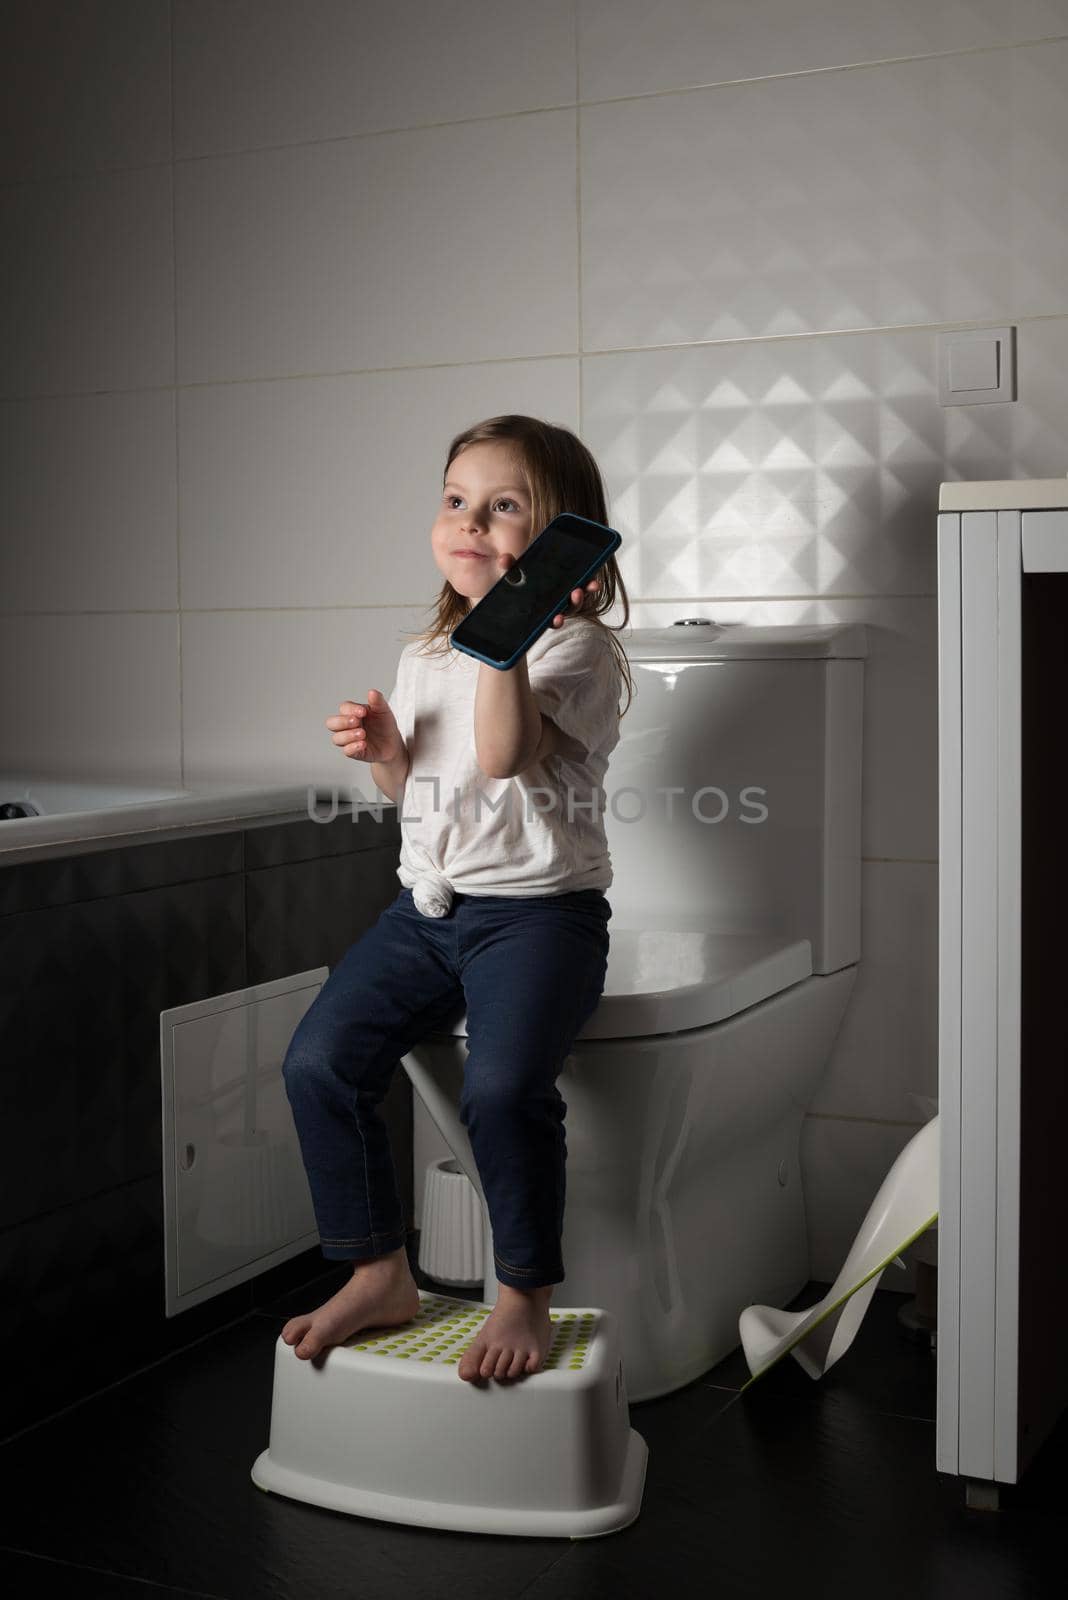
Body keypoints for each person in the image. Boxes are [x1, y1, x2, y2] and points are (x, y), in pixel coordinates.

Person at [280, 414, 633, 1385]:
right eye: (455, 500)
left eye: (504, 505)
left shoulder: (580, 655)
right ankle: (378, 1268)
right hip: (429, 911)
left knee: (503, 1088)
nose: (470, 519)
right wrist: (392, 758)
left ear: (563, 536)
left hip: (539, 916)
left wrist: (507, 639)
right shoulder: (428, 650)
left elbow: (507, 755)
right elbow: (432, 796)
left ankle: (521, 1290)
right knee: (319, 1061)